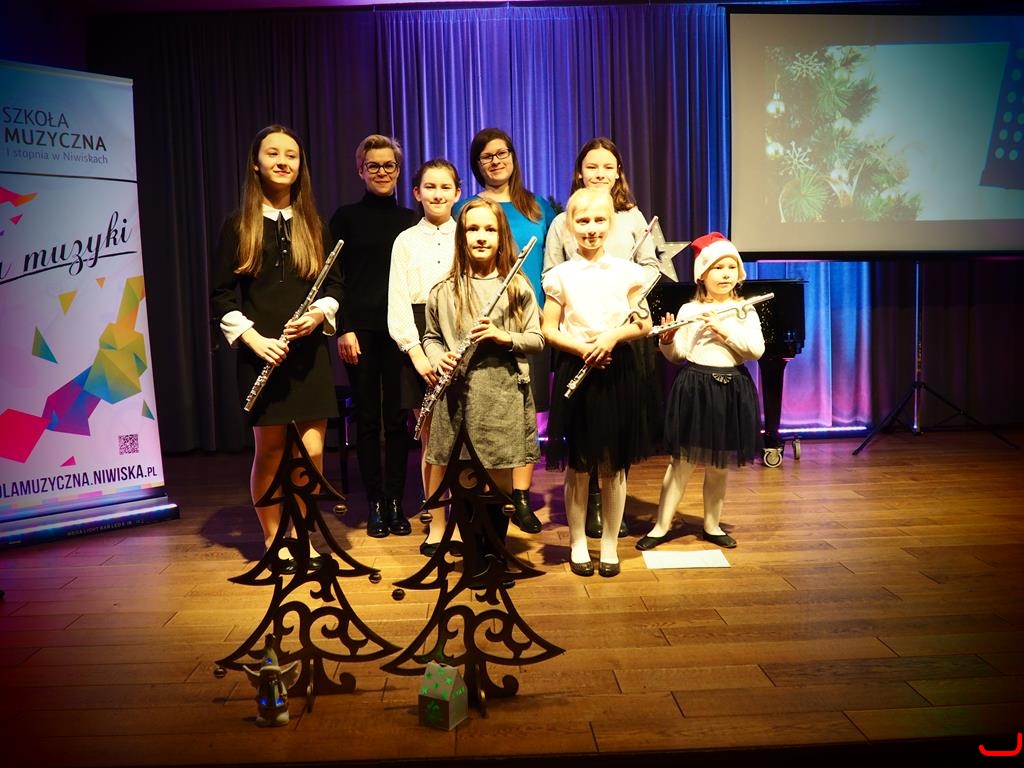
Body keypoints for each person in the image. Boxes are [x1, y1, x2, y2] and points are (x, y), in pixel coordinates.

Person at [210, 124, 342, 573]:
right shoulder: (238, 225)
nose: (283, 161)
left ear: (301, 166)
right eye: (273, 153)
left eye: (291, 155)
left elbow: (334, 285)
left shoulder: (314, 224)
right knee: (269, 451)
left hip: (307, 356)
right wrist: (253, 339)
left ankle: (301, 533)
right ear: (256, 163)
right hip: (261, 353)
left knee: (312, 453)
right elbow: (221, 295)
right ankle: (273, 539)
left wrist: (319, 314)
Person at [543, 137, 661, 540]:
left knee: (614, 451)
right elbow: (551, 313)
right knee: (580, 452)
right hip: (577, 350)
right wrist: (583, 345)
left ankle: (609, 530)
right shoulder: (562, 236)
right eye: (592, 166)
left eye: (608, 166)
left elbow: (642, 313)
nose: (591, 229)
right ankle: (582, 528)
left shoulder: (630, 234)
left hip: (618, 350)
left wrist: (613, 332)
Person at [422, 197, 545, 578]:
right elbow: (430, 336)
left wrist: (503, 336)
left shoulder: (518, 286)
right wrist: (438, 356)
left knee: (499, 481)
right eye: (472, 229)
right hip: (459, 397)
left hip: (502, 396)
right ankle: (475, 558)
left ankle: (495, 555)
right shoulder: (444, 289)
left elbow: (537, 339)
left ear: (501, 236)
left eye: (489, 229)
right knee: (465, 481)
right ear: (461, 236)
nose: (481, 236)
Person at [454, 127, 556, 535]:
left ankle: (521, 495)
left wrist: (548, 311)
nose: (496, 161)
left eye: (502, 153)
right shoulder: (468, 207)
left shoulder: (539, 206)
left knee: (526, 411)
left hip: (530, 319)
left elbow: (554, 262)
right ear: (477, 164)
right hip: (481, 318)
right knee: (487, 411)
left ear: (513, 156)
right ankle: (488, 493)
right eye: (486, 156)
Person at [636, 232, 764, 552]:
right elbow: (680, 355)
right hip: (695, 386)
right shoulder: (688, 310)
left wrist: (725, 330)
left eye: (731, 267)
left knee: (719, 466)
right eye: (717, 268)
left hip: (731, 387)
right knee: (681, 463)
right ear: (702, 275)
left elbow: (756, 351)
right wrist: (667, 343)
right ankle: (661, 526)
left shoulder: (745, 310)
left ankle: (712, 525)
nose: (725, 274)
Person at [330, 135, 418, 539]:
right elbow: (334, 276)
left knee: (397, 419)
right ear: (360, 170)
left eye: (389, 165)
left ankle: (396, 500)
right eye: (374, 165)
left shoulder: (411, 220)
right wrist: (343, 327)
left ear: (398, 171)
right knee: (367, 419)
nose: (382, 172)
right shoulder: (345, 217)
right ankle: (376, 503)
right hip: (360, 331)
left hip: (401, 330)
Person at [387, 159, 462, 556]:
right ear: (416, 193)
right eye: (429, 187)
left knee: (465, 439)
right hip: (419, 337)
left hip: (460, 333)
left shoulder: (466, 233)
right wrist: (416, 353)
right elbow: (398, 302)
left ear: (457, 193)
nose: (437, 194)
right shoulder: (405, 241)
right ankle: (436, 522)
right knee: (432, 439)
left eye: (445, 187)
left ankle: (463, 522)